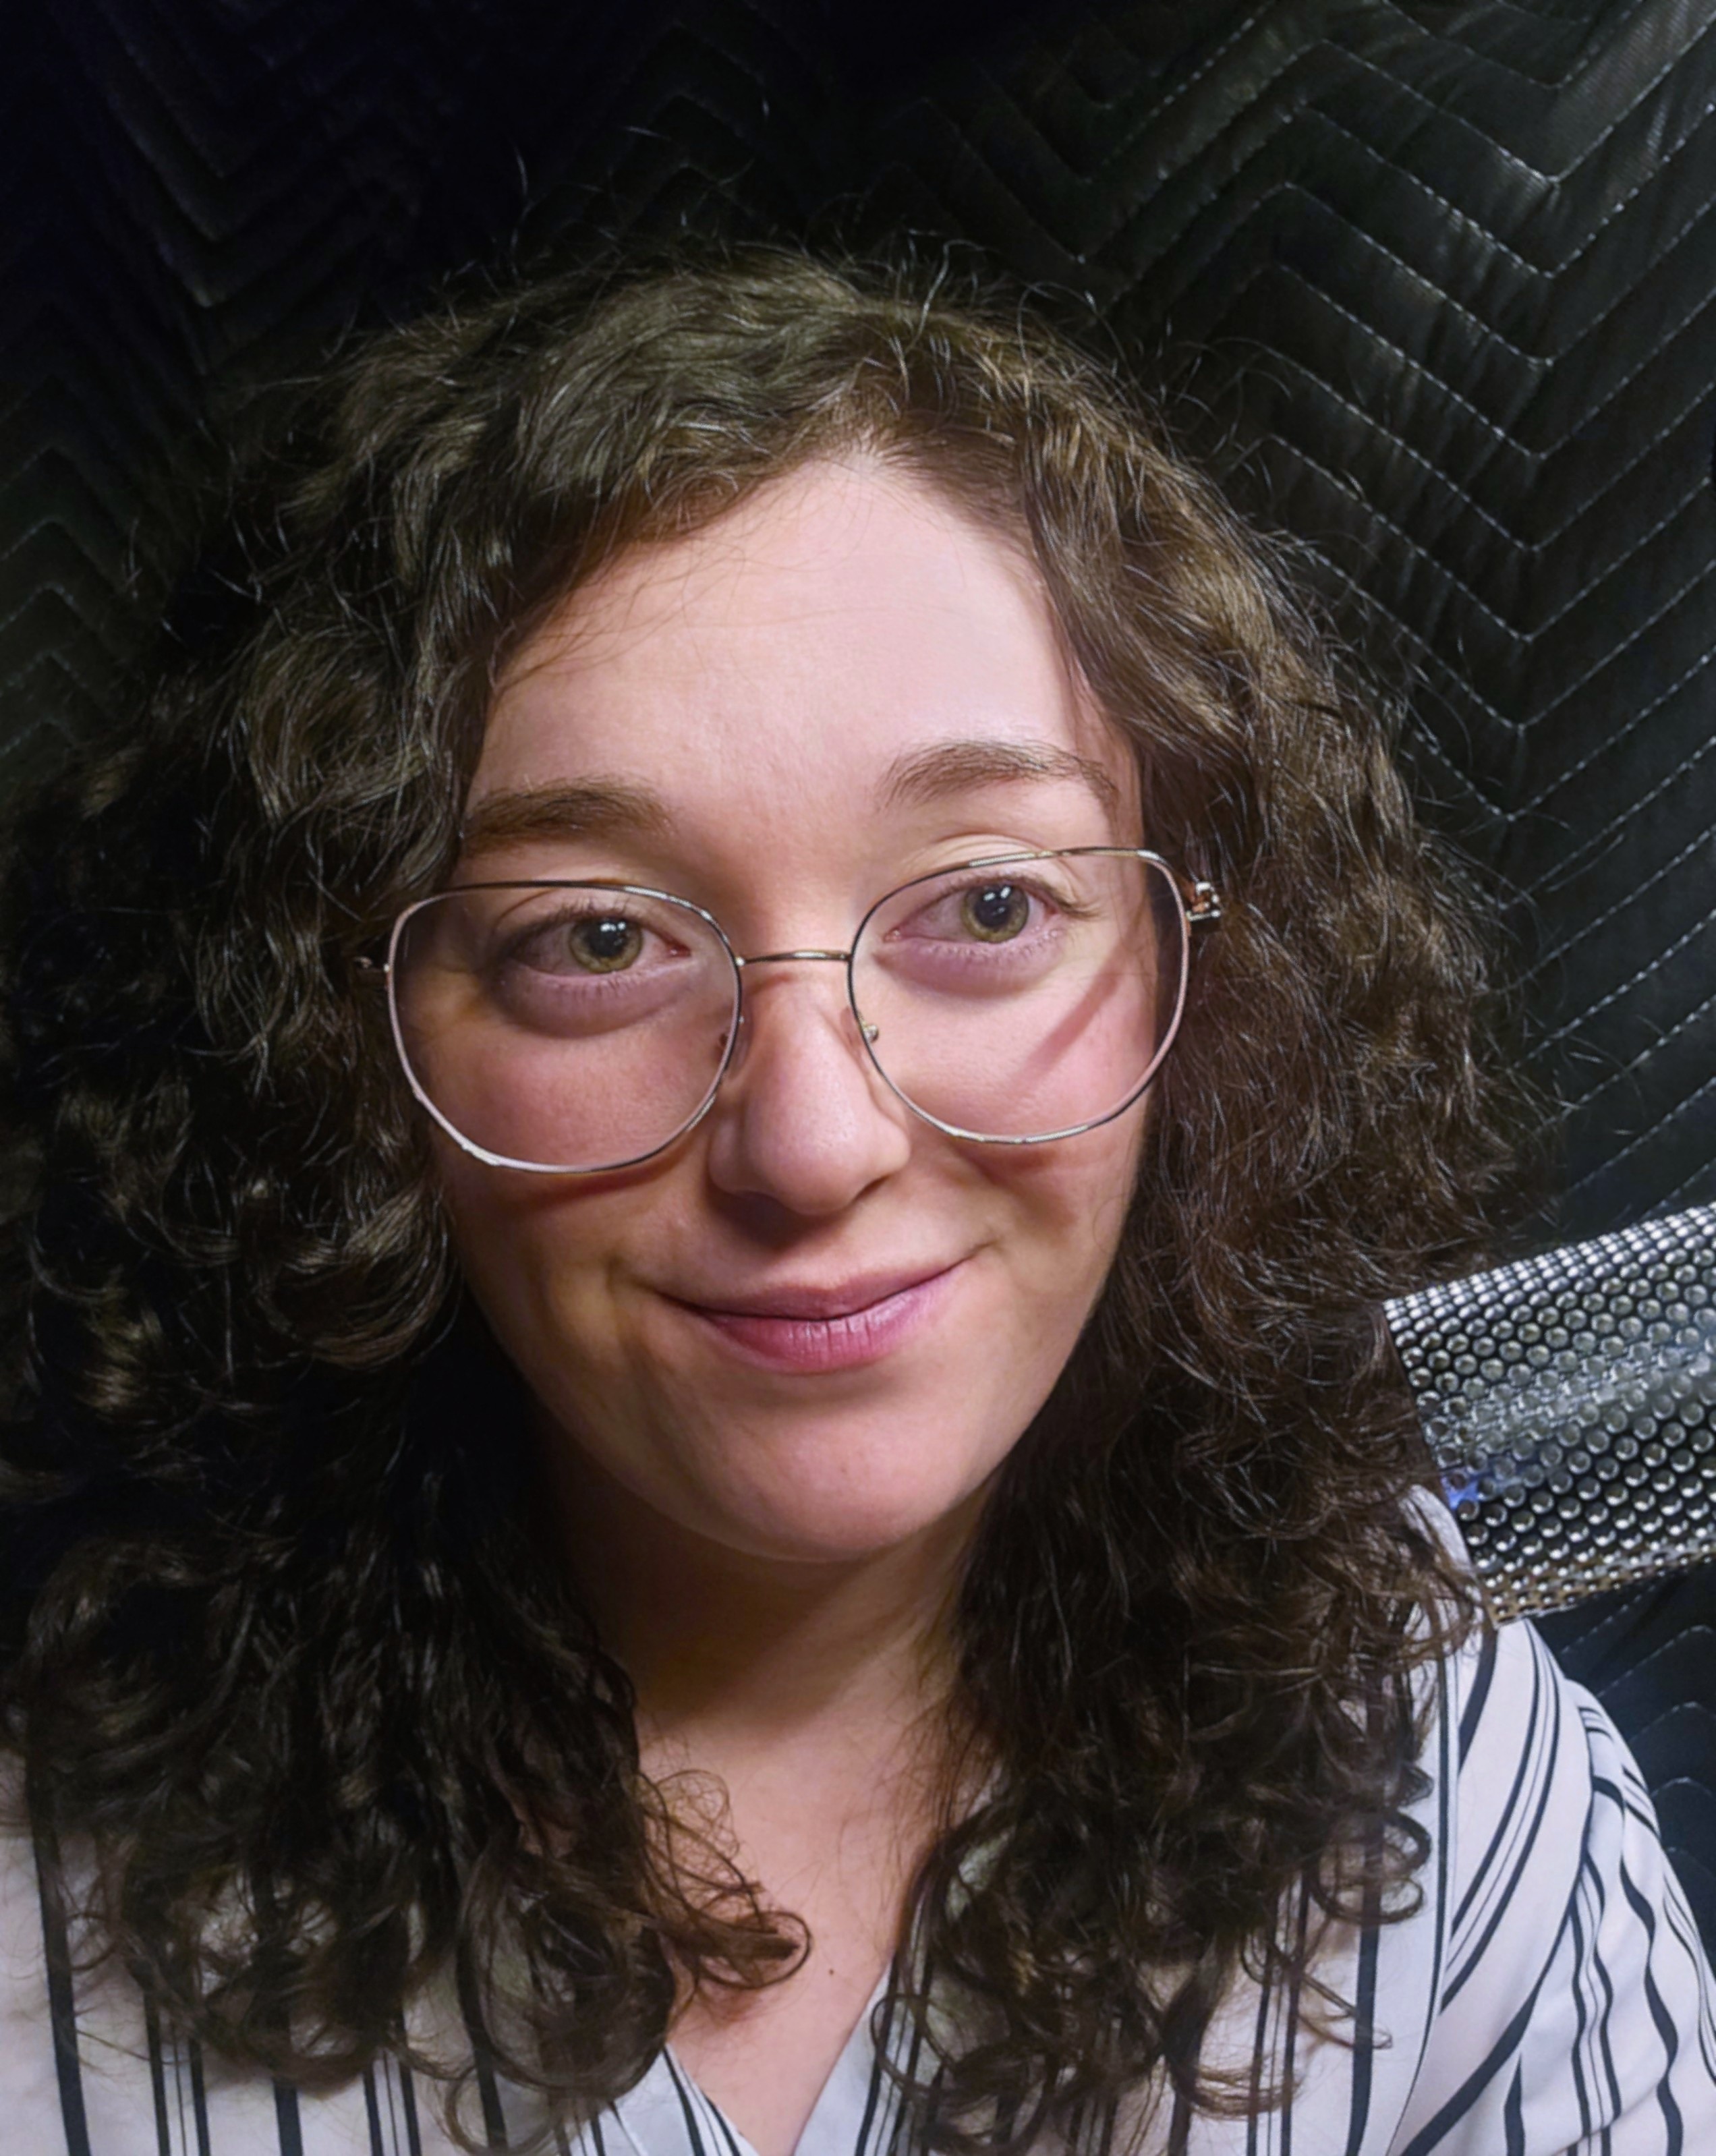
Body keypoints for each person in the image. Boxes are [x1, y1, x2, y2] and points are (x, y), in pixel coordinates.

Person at [0, 248, 1709, 2156]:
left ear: (1189, 969)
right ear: (344, 1032)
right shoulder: (45, 1892)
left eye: (990, 905)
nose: (812, 1145)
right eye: (595, 935)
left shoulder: (1441, 1783)